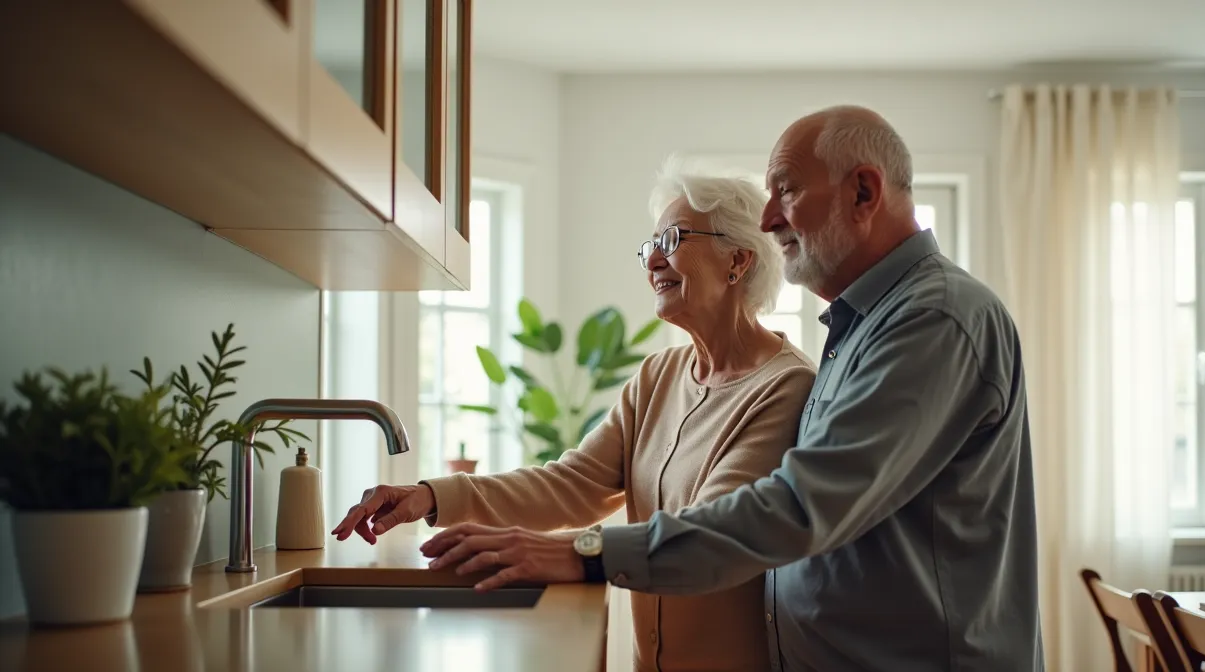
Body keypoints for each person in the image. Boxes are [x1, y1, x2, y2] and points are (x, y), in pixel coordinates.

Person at [420, 105, 1045, 672]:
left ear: (863, 191)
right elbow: (578, 482)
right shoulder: (859, 327)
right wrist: (435, 496)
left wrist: (586, 553)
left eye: (787, 191)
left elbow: (801, 507)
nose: (770, 216)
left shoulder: (930, 320)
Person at [331, 160, 817, 672]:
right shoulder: (659, 376)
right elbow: (572, 484)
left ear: (737, 262)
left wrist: (570, 552)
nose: (652, 260)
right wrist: (431, 495)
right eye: (649, 245)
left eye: (671, 239)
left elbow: (711, 535)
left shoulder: (784, 388)